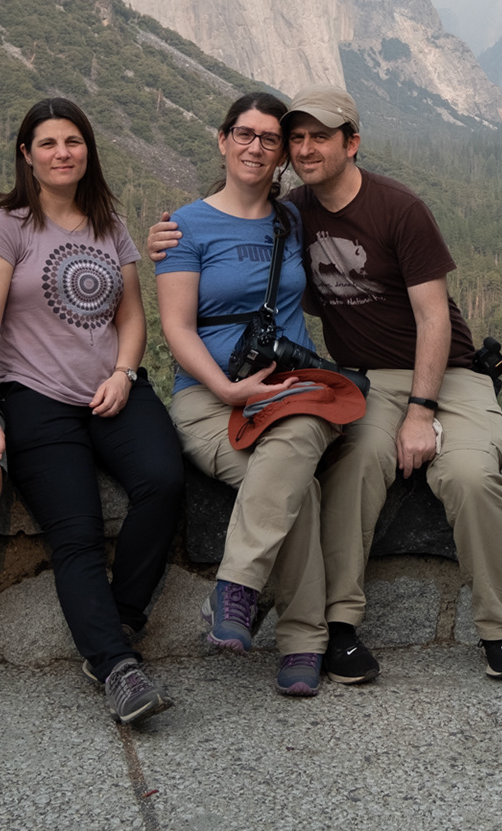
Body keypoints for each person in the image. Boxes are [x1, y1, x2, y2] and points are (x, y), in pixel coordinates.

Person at [149, 85, 502, 682]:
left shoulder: (395, 208)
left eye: (316, 136)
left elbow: (433, 317)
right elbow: (217, 263)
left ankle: (498, 627)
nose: (302, 147)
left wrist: (420, 410)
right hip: (367, 380)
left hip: (447, 375)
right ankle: (337, 628)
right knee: (351, 470)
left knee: (470, 476)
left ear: (352, 143)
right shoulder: (290, 214)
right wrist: (164, 242)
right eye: (293, 137)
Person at [0, 97, 184, 725]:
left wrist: (123, 372)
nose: (63, 153)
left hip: (112, 389)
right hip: (34, 397)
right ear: (26, 156)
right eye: (49, 143)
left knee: (164, 482)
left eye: (74, 141)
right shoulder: (2, 226)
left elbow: (132, 317)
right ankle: (116, 665)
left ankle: (121, 618)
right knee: (77, 529)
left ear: (88, 150)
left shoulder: (107, 222)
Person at [154, 92, 341, 697]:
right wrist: (225, 387)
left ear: (282, 152)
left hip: (293, 391)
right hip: (207, 397)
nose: (256, 147)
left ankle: (236, 587)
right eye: (245, 134)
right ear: (222, 139)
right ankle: (305, 641)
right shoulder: (185, 225)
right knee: (296, 486)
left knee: (293, 447)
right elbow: (177, 327)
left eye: (269, 138)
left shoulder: (293, 218)